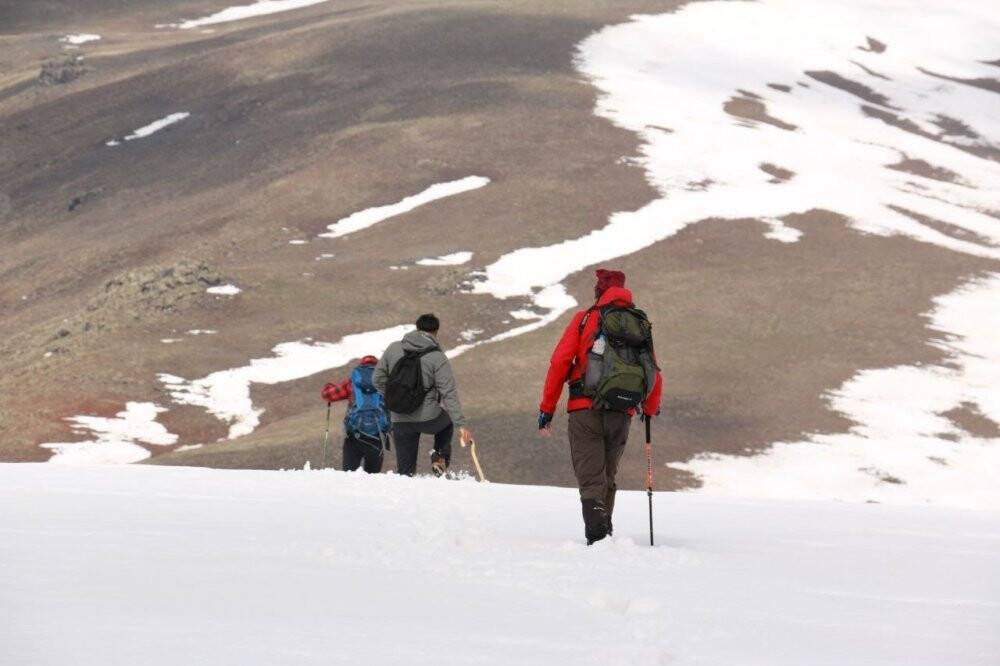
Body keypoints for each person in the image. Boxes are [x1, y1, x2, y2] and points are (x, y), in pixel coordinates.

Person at [538, 269, 663, 544]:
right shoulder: (639, 324)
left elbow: (560, 362)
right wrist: (650, 409)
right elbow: (653, 370)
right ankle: (605, 535)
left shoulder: (585, 319)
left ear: (599, 291)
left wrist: (547, 408)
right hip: (623, 411)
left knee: (590, 475)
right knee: (607, 474)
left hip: (585, 409)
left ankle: (598, 535)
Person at [374, 313, 472, 477]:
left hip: (399, 417)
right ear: (436, 331)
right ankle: (439, 459)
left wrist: (395, 398)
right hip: (428, 417)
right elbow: (448, 393)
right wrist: (461, 425)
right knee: (446, 424)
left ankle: (405, 493)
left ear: (417, 328)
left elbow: (377, 379)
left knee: (405, 472)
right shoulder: (437, 357)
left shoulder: (394, 348)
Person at [321, 355, 391, 473]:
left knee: (349, 477)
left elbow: (328, 395)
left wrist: (328, 387)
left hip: (354, 436)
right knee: (373, 479)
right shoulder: (385, 383)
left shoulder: (352, 382)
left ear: (361, 366)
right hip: (377, 437)